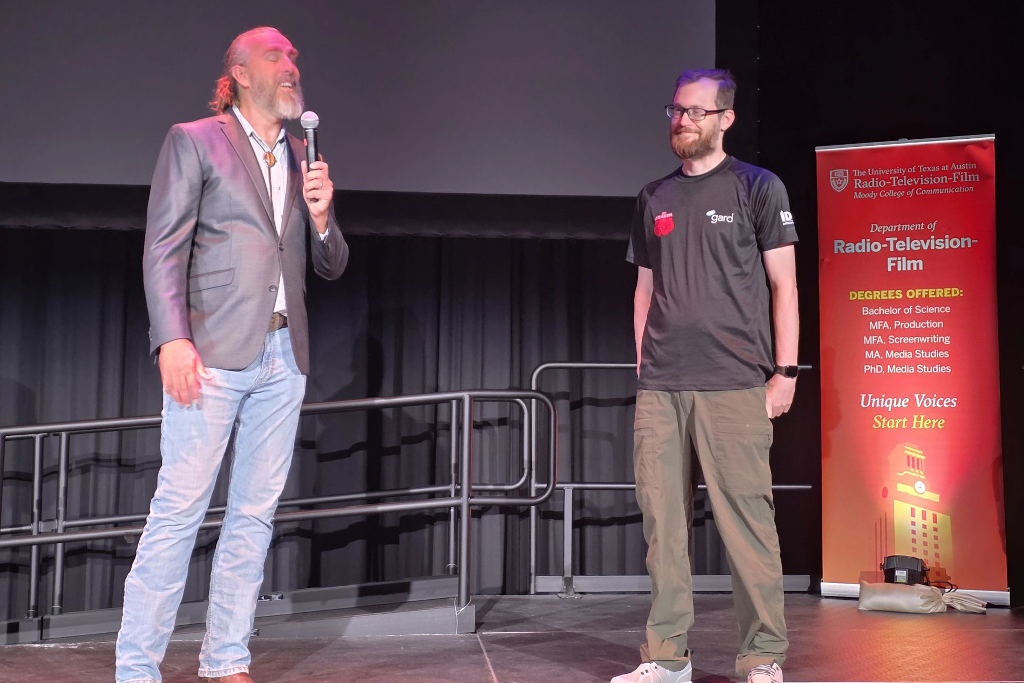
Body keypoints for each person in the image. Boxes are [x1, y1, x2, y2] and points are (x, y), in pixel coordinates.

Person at [115, 26, 349, 683]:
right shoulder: (195, 140)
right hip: (211, 352)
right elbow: (163, 247)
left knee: (253, 517)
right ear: (241, 73)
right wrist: (172, 338)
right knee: (179, 511)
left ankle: (226, 660)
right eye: (276, 56)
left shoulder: (303, 156)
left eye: (293, 56)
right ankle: (136, 669)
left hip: (284, 355)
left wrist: (323, 217)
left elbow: (331, 264)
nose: (290, 64)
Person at [612, 69, 799, 683]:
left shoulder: (758, 186)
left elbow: (784, 286)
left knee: (748, 526)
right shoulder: (654, 196)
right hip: (661, 388)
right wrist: (643, 364)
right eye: (676, 110)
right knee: (662, 528)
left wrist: (785, 373)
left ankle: (762, 655)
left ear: (726, 118)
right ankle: (667, 659)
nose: (682, 120)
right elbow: (644, 290)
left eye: (695, 111)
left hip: (735, 383)